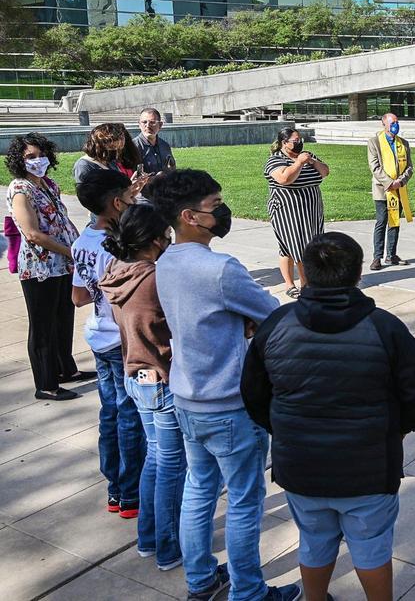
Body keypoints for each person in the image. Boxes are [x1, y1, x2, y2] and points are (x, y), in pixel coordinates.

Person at [242, 232, 415, 601]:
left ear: (306, 275)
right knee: (371, 543)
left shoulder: (277, 324)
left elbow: (253, 393)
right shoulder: (385, 328)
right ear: (358, 273)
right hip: (369, 467)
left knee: (314, 538)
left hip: (300, 464)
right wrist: (399, 430)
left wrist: (283, 429)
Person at [148, 169, 298, 601]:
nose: (222, 212)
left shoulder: (167, 260)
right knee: (245, 500)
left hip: (187, 396)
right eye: (214, 207)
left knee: (199, 488)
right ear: (189, 216)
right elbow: (274, 314)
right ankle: (249, 592)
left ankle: (200, 581)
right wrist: (248, 322)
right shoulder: (219, 268)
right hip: (230, 402)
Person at [101, 202, 187, 570]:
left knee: (155, 458)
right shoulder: (153, 277)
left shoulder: (117, 269)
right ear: (154, 240)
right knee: (172, 466)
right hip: (161, 378)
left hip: (136, 376)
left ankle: (149, 538)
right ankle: (168, 547)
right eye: (166, 235)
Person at [72, 169, 146, 519]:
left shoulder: (81, 241)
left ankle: (115, 490)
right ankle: (130, 493)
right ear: (117, 204)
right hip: (120, 340)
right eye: (131, 199)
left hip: (98, 335)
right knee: (129, 415)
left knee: (111, 413)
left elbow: (77, 297)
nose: (133, 204)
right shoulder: (115, 247)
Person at [5, 133, 88, 400]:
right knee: (42, 326)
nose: (37, 160)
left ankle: (66, 370)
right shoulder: (20, 189)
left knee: (63, 319)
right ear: (20, 160)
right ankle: (46, 383)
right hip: (40, 268)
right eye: (30, 157)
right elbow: (32, 234)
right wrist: (70, 251)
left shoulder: (47, 185)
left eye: (40, 155)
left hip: (62, 265)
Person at [264, 128, 330, 298]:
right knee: (297, 247)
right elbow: (284, 179)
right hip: (287, 211)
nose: (299, 143)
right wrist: (299, 163)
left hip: (311, 211)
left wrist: (313, 161)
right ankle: (299, 284)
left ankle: (308, 283)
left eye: (300, 139)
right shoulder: (275, 160)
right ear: (284, 143)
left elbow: (324, 172)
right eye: (295, 140)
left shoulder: (308, 156)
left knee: (310, 246)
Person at [367, 113, 414, 271]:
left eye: (397, 121)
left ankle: (392, 254)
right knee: (381, 222)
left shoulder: (404, 143)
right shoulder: (375, 142)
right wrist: (389, 183)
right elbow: (375, 167)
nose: (396, 125)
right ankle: (377, 257)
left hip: (399, 189)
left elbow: (409, 167)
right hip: (383, 189)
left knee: (395, 222)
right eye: (393, 122)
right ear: (384, 124)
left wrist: (400, 181)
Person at [134, 108, 176, 174]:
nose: (147, 126)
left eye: (152, 122)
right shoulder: (133, 147)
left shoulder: (165, 146)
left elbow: (172, 170)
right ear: (139, 124)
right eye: (144, 122)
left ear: (160, 125)